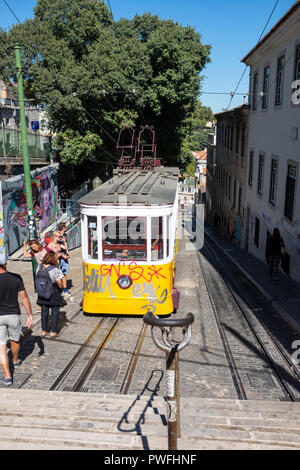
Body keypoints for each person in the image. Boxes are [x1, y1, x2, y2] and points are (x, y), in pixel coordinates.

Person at [0, 253, 33, 386]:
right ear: (5, 263)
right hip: (13, 314)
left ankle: (7, 376)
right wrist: (30, 314)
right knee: (15, 339)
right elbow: (24, 297)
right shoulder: (16, 278)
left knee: (1, 346)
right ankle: (15, 360)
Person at [37, 252, 63, 339]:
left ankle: (44, 331)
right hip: (53, 293)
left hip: (42, 293)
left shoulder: (39, 267)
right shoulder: (55, 270)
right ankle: (53, 331)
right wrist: (62, 287)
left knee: (44, 312)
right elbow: (59, 283)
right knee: (55, 312)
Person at [57, 223, 71, 296]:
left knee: (64, 273)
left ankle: (65, 289)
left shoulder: (64, 235)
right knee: (59, 274)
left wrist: (68, 252)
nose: (66, 228)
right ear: (63, 227)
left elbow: (66, 246)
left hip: (64, 256)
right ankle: (59, 289)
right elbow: (59, 247)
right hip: (59, 257)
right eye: (65, 227)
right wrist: (63, 255)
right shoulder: (57, 235)